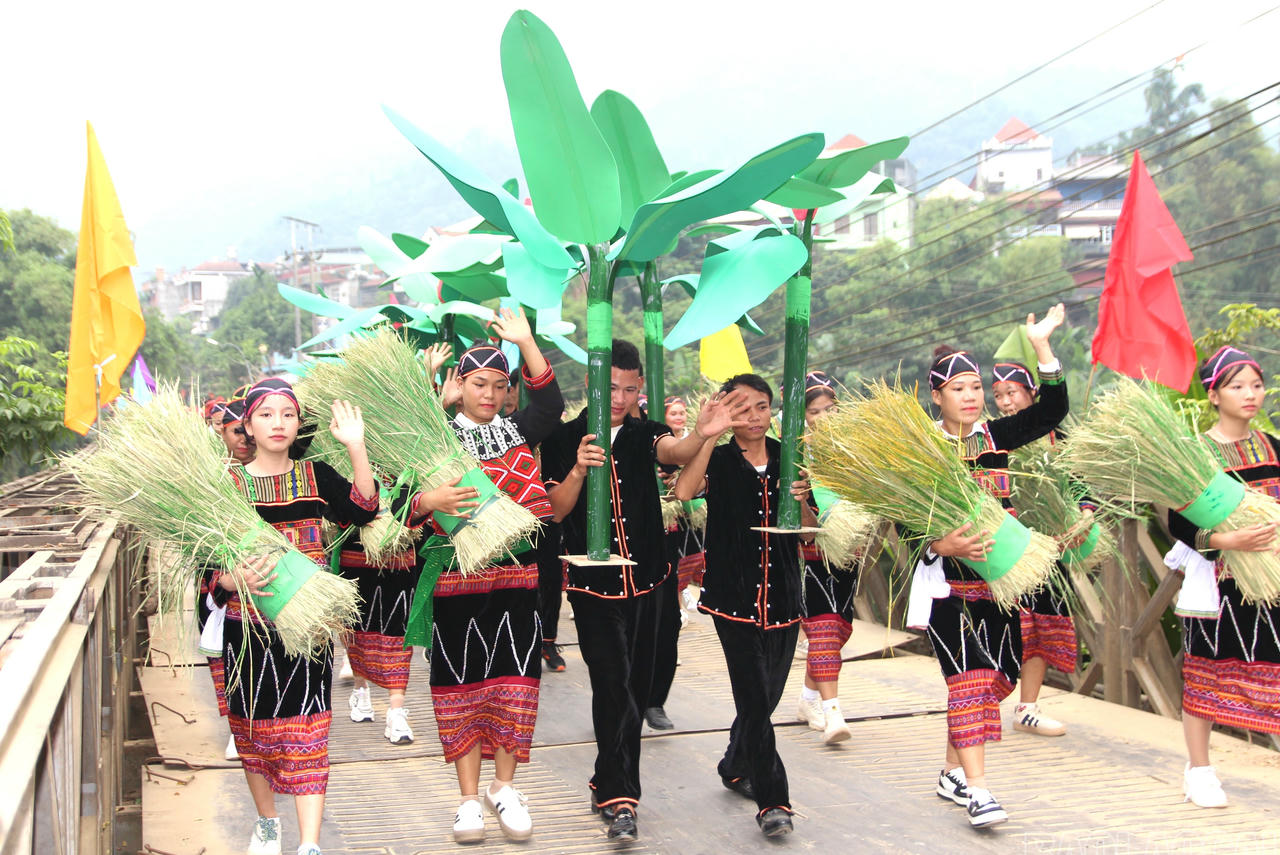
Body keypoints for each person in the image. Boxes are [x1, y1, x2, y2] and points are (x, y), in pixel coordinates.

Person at [542, 340, 741, 843]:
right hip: (592, 587)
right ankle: (621, 799)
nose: (620, 397)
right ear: (592, 380)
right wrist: (578, 469)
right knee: (613, 686)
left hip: (652, 583)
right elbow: (558, 510)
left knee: (634, 689)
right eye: (611, 387)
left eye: (630, 389)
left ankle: (605, 777)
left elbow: (672, 452)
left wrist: (702, 432)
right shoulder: (564, 437)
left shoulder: (642, 432)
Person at [394, 308, 562, 844]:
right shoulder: (433, 439)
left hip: (517, 576)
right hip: (455, 582)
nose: (488, 394)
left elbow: (552, 405)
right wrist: (430, 499)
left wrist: (526, 341)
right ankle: (468, 800)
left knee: (517, 680)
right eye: (478, 384)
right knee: (458, 683)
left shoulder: (519, 431)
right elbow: (399, 503)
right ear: (459, 386)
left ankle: (504, 788)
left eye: (499, 385)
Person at [913, 305, 1067, 829]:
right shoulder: (920, 450)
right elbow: (901, 519)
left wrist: (1042, 346)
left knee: (998, 679)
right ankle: (979, 791)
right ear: (937, 396)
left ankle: (952, 772)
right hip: (948, 588)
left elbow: (1052, 413)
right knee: (970, 681)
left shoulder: (997, 438)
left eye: (975, 386)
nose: (972, 395)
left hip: (1001, 586)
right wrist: (940, 544)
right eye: (959, 388)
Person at [219, 378, 379, 855]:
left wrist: (356, 447)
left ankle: (309, 843)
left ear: (298, 423)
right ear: (247, 424)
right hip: (246, 630)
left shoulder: (316, 474)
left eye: (287, 414)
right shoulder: (225, 487)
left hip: (306, 628)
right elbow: (206, 565)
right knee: (252, 728)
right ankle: (268, 823)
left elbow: (364, 511)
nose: (277, 423)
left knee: (309, 728)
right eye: (266, 414)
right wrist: (231, 581)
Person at [673, 373, 809, 838]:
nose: (753, 417)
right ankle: (774, 801)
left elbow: (808, 529)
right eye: (741, 409)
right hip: (733, 598)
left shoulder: (792, 455)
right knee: (753, 697)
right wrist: (708, 436)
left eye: (761, 407)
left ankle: (734, 763)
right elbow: (684, 492)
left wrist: (804, 502)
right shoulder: (722, 458)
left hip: (786, 598)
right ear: (725, 412)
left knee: (764, 700)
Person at [1167, 345, 1280, 808]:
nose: (1250, 395)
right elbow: (1178, 522)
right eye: (1237, 386)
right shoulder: (1197, 455)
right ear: (1214, 395)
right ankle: (1199, 770)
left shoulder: (1274, 447)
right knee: (1206, 675)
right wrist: (1227, 542)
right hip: (1220, 582)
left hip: (1272, 580)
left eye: (1256, 385)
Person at [990, 360, 1079, 737]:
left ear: (1031, 394)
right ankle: (981, 701)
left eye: (1012, 393)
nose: (1006, 402)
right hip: (1006, 550)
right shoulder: (998, 440)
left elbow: (1080, 486)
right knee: (1008, 629)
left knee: (1041, 627)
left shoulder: (1062, 441)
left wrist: (1083, 518)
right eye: (998, 396)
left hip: (1050, 553)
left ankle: (1027, 707)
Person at [794, 371, 854, 744]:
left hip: (849, 553)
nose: (824, 418)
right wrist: (802, 505)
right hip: (811, 553)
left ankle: (808, 699)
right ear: (805, 417)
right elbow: (798, 521)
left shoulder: (853, 455)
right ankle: (833, 713)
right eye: (816, 412)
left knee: (839, 628)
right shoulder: (796, 455)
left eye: (831, 410)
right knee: (824, 627)